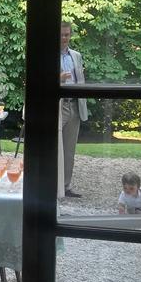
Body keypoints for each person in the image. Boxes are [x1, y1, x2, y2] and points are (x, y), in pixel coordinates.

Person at [59, 22, 88, 198]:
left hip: (74, 105)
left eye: (67, 35)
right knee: (54, 148)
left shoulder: (76, 55)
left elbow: (80, 79)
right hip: (58, 105)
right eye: (61, 35)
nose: (64, 38)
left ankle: (65, 186)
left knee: (69, 150)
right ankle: (52, 186)